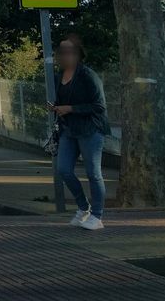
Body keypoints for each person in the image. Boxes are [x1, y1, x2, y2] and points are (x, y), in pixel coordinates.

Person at [50, 33, 110, 231]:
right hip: (69, 129)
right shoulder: (59, 77)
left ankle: (97, 216)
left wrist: (71, 108)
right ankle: (83, 207)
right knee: (64, 169)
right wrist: (57, 108)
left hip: (90, 129)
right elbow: (62, 101)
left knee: (93, 172)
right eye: (62, 51)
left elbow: (99, 106)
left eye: (69, 51)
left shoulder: (88, 76)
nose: (64, 55)